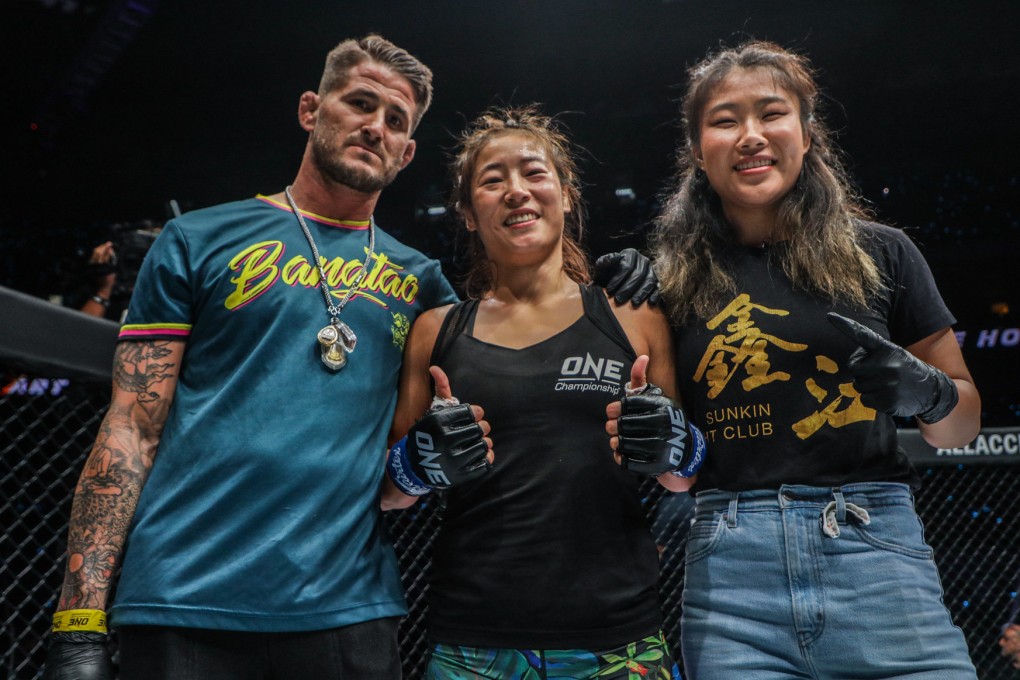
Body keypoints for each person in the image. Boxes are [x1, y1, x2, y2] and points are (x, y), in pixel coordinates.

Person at [43, 34, 457, 680]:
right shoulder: (197, 240)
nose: (375, 126)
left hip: (346, 608)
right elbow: (130, 427)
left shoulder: (425, 282)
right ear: (310, 110)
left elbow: (452, 422)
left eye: (395, 120)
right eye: (360, 103)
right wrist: (77, 619)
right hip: (182, 600)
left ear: (406, 153)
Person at [638, 40, 982, 679]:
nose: (750, 136)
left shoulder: (884, 253)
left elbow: (961, 426)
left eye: (771, 113)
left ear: (806, 130)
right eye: (724, 119)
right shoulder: (669, 285)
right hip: (730, 576)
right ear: (695, 148)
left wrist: (930, 393)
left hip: (877, 553)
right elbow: (675, 474)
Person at [381, 105, 705, 679]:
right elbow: (391, 495)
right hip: (474, 639)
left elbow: (679, 479)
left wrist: (675, 445)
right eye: (492, 180)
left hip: (619, 636)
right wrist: (416, 464)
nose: (515, 191)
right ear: (466, 212)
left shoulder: (632, 315)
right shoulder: (435, 330)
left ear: (566, 193)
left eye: (533, 172)